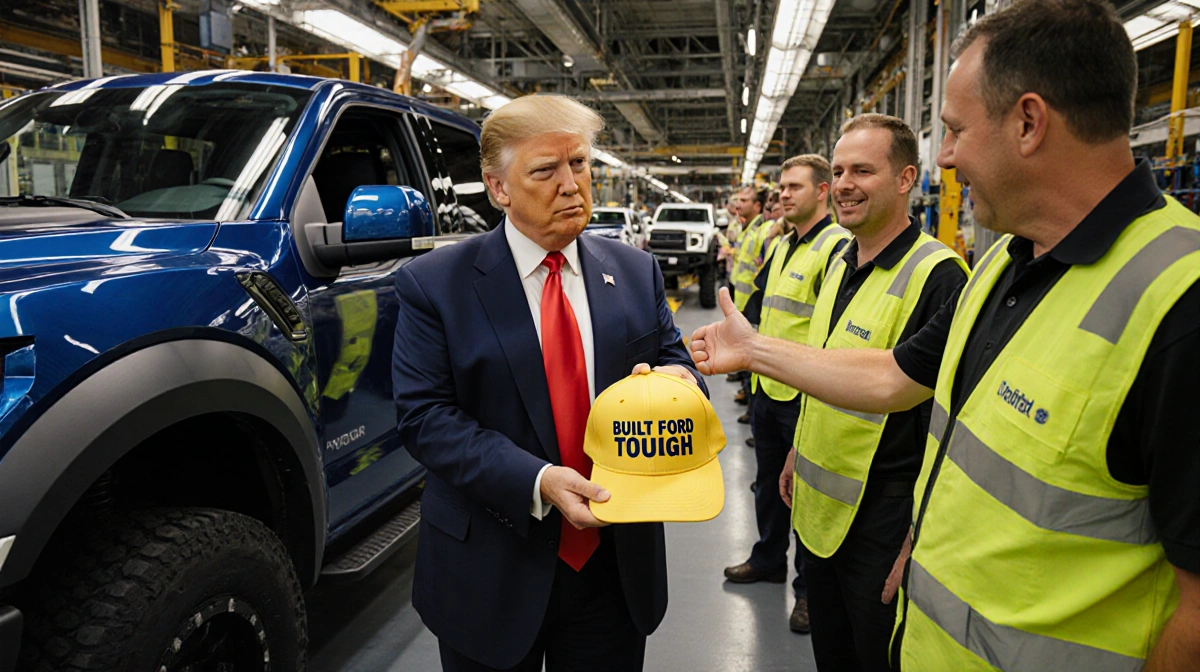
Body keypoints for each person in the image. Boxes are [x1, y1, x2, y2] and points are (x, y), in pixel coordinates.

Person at [690, 1, 1200, 669]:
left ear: (1028, 122)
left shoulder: (1178, 301)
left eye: (956, 129)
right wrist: (756, 351)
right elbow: (895, 378)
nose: (949, 156)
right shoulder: (1002, 266)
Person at [393, 94, 705, 672]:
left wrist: (679, 383)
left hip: (613, 568)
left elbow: (679, 372)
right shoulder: (437, 286)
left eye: (580, 164)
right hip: (489, 565)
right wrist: (537, 479)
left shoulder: (634, 272)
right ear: (499, 188)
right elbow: (425, 418)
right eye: (545, 170)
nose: (571, 185)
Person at [775, 116, 964, 670]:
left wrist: (919, 533)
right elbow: (826, 371)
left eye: (863, 170)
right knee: (831, 654)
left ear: (907, 178)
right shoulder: (840, 261)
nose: (845, 184)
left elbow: (948, 420)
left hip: (885, 520)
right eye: (837, 171)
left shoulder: (939, 276)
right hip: (820, 512)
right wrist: (796, 447)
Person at [724, 155, 851, 635]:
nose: (783, 195)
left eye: (794, 187)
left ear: (822, 192)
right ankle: (769, 559)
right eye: (780, 188)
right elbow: (759, 307)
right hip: (767, 389)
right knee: (767, 486)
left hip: (805, 395)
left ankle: (808, 594)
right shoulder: (781, 246)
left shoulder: (837, 248)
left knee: (806, 495)